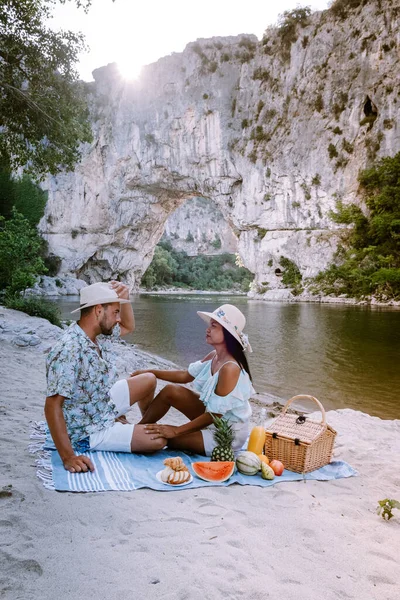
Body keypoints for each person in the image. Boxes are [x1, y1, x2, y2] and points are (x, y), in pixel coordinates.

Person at [44, 281, 166, 474]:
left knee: (149, 379)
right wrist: (68, 457)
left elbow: (129, 326)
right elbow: (52, 405)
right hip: (88, 428)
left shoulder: (100, 333)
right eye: (116, 312)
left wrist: (125, 300)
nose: (119, 319)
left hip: (100, 403)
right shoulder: (69, 349)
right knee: (158, 440)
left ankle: (136, 428)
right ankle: (134, 431)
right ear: (98, 310)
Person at [133, 304, 255, 456]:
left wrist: (176, 431)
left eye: (214, 326)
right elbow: (185, 376)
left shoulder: (230, 368)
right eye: (209, 325)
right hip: (211, 417)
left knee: (160, 439)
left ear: (228, 334)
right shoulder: (213, 356)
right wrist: (149, 372)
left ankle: (141, 432)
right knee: (171, 391)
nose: (207, 329)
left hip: (226, 433)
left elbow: (215, 415)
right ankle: (136, 429)